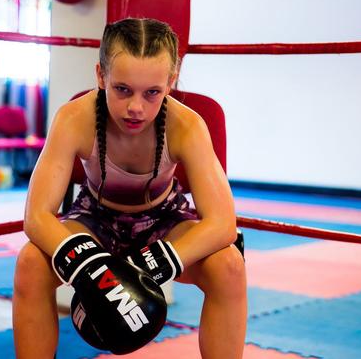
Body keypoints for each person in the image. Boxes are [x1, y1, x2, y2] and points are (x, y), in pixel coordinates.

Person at [13, 18, 247, 358]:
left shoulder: (188, 126)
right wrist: (92, 265)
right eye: (122, 89)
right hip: (96, 215)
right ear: (100, 76)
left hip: (164, 218)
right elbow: (36, 216)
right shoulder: (73, 118)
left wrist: (150, 264)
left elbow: (223, 223)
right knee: (31, 264)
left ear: (170, 82)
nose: (136, 107)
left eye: (152, 92)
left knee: (229, 267)